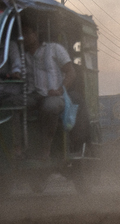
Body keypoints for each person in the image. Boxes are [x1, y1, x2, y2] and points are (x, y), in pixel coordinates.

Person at [6, 21, 75, 160]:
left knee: (49, 107)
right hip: (32, 95)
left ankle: (45, 151)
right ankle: (18, 149)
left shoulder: (55, 49)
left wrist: (60, 90)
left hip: (53, 95)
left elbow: (71, 72)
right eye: (20, 34)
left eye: (26, 33)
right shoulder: (23, 57)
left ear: (35, 34)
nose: (23, 37)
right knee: (11, 104)